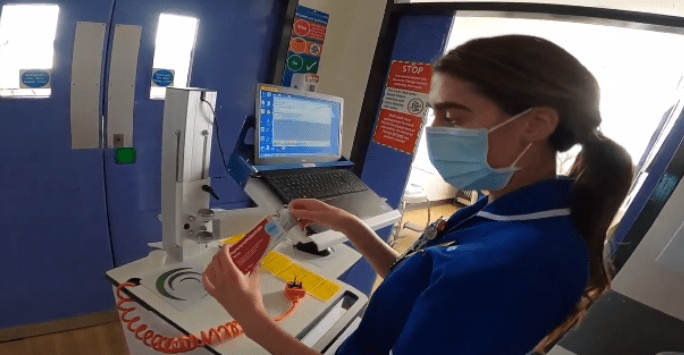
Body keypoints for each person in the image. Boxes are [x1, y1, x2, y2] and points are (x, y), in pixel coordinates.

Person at [202, 35, 634, 355]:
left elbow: (463, 285)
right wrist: (347, 223)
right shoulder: (507, 208)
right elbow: (425, 285)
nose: (434, 131)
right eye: (434, 113)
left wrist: (251, 318)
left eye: (453, 115)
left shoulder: (517, 265)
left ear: (535, 124)